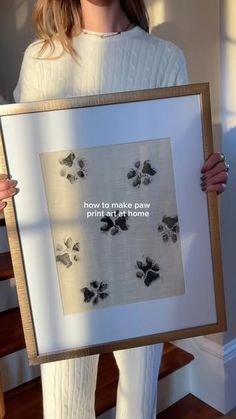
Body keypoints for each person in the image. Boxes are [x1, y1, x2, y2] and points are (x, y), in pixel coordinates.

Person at [0, 1, 229, 418]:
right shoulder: (40, 59)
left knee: (138, 399)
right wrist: (6, 186)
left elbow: (173, 166)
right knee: (65, 402)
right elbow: (20, 159)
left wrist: (203, 179)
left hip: (142, 254)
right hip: (65, 259)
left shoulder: (163, 58)